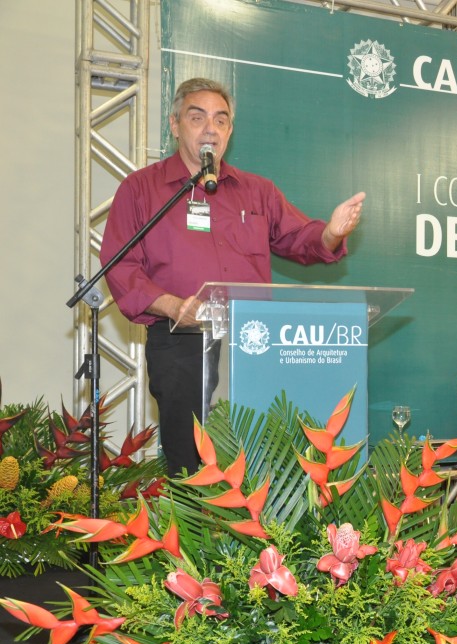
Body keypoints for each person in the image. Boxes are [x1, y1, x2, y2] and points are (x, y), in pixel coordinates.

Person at [100, 77, 366, 476]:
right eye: (198, 117)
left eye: (221, 120)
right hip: (182, 340)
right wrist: (174, 306)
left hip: (252, 342)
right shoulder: (142, 189)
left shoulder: (256, 192)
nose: (211, 128)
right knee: (191, 462)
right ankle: (192, 536)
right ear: (175, 124)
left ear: (230, 131)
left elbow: (298, 238)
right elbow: (121, 265)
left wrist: (330, 233)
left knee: (257, 458)